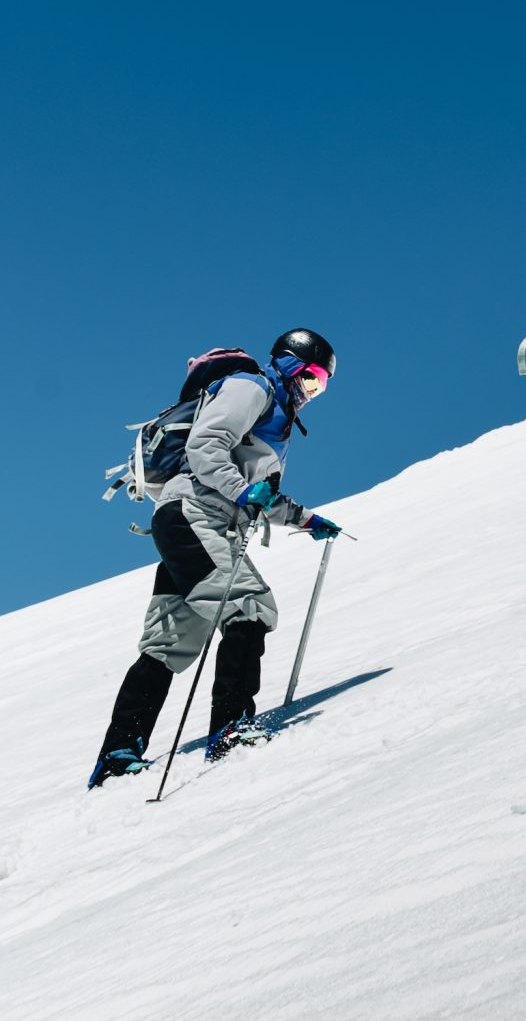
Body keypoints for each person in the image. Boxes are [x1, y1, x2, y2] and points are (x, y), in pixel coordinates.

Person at [88, 331, 343, 785]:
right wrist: (244, 490)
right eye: (310, 378)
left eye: (321, 386)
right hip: (194, 517)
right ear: (287, 365)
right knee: (250, 607)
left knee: (168, 643)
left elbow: (258, 495)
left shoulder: (278, 421)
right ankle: (231, 729)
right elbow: (204, 447)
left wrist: (305, 519)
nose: (311, 392)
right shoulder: (252, 388)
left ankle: (117, 755)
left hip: (190, 523)